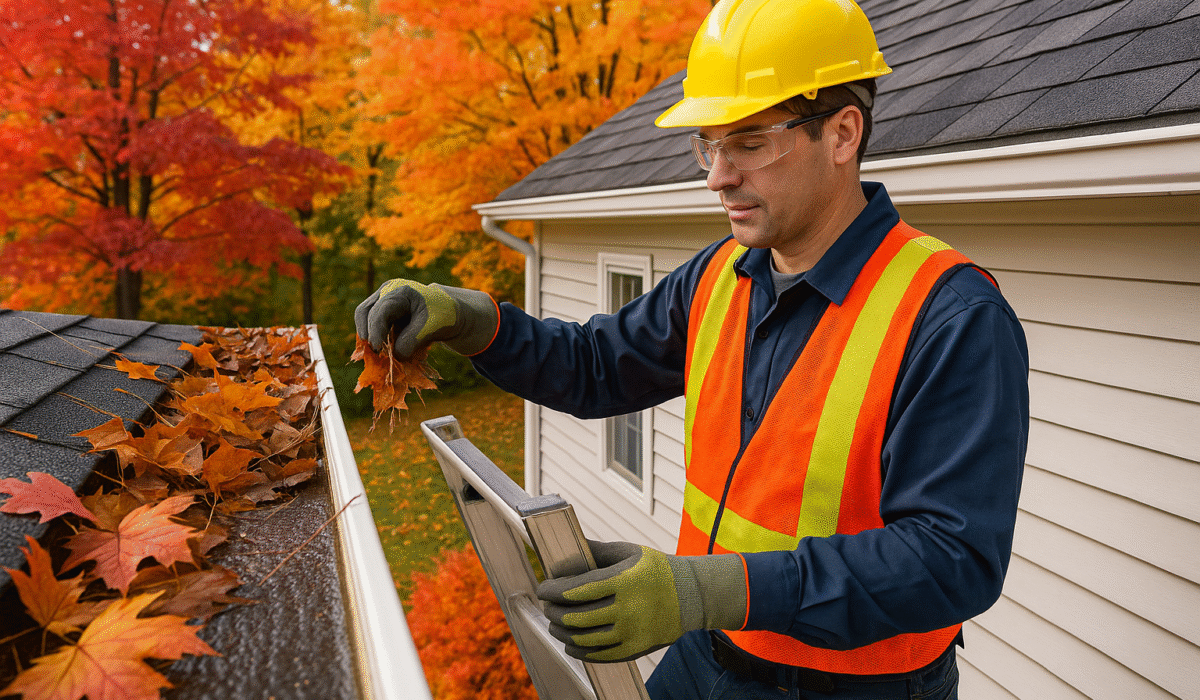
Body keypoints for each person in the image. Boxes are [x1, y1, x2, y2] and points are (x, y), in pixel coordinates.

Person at [354, 0, 1029, 697]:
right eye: (709, 145)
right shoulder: (718, 278)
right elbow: (595, 367)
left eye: (749, 143)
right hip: (706, 654)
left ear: (842, 134)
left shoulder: (950, 316)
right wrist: (476, 323)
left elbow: (952, 559)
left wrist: (701, 590)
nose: (717, 176)